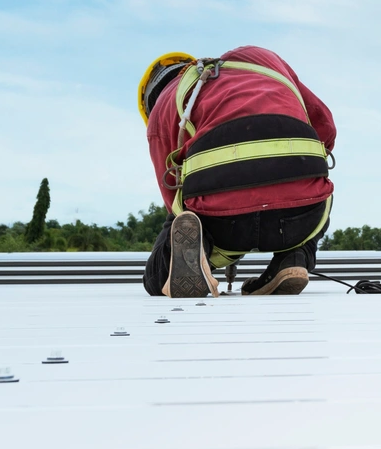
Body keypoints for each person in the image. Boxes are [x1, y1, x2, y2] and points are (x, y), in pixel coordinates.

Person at [135, 47, 336, 297]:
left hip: (223, 223)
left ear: (149, 103)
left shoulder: (164, 107)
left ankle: (196, 253)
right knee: (317, 184)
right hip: (302, 214)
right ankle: (295, 257)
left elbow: (173, 198)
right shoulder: (260, 58)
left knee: (160, 268)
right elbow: (325, 126)